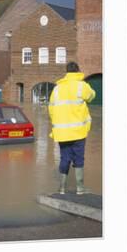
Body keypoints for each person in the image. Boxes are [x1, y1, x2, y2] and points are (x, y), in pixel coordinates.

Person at [48, 62, 96, 195]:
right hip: (79, 132)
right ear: (78, 71)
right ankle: (80, 188)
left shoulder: (57, 89)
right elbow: (92, 96)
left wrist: (57, 123)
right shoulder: (82, 86)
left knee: (64, 158)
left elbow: (51, 109)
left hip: (62, 132)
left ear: (66, 72)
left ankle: (62, 188)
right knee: (79, 158)